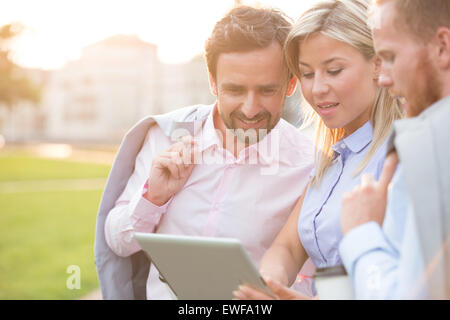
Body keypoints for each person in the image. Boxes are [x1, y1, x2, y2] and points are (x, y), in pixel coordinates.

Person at [94, 5, 315, 300]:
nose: (250, 109)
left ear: (290, 84)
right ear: (212, 81)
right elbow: (117, 243)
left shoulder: (308, 166)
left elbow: (308, 276)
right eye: (235, 90)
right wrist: (153, 197)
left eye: (266, 90)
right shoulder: (163, 137)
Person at [233, 0, 403, 300]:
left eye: (334, 71)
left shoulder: (399, 157)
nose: (316, 89)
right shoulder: (331, 163)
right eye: (307, 74)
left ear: (377, 64)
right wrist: (269, 285)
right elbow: (287, 247)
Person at [339, 0, 450, 299]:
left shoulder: (434, 149)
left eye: (390, 57)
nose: (384, 78)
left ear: (442, 46)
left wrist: (362, 232)